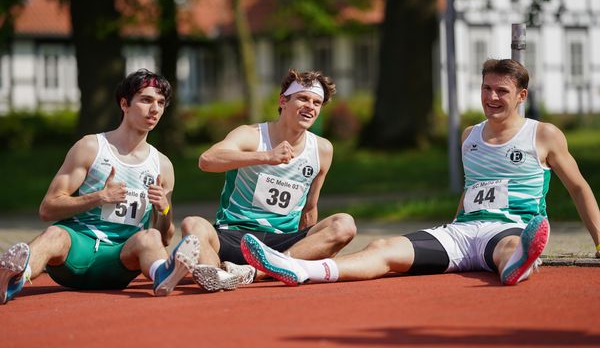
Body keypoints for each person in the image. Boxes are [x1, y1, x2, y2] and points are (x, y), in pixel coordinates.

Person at [240, 59, 600, 286]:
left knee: (509, 247)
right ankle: (300, 269)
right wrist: (455, 225)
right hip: (462, 231)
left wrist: (599, 241)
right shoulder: (469, 136)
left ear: (521, 95)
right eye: (486, 88)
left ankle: (518, 262)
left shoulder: (544, 134)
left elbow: (579, 188)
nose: (491, 97)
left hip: (511, 226)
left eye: (501, 91)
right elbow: (474, 188)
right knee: (383, 247)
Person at [0, 69, 199, 305]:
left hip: (120, 260)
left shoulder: (162, 166)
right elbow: (47, 209)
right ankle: (13, 279)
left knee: (151, 236)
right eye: (146, 100)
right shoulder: (91, 147)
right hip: (76, 252)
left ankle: (163, 275)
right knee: (55, 234)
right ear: (124, 104)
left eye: (160, 103)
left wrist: (164, 210)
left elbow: (165, 237)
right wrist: (99, 197)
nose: (154, 109)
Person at [181, 69, 357, 291]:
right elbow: (207, 160)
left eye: (317, 102)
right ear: (283, 101)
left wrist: (316, 247)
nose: (310, 106)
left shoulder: (322, 149)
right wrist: (265, 156)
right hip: (234, 236)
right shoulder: (252, 135)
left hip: (281, 245)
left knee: (344, 224)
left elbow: (310, 210)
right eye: (303, 98)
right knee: (191, 224)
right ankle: (216, 273)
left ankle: (255, 272)